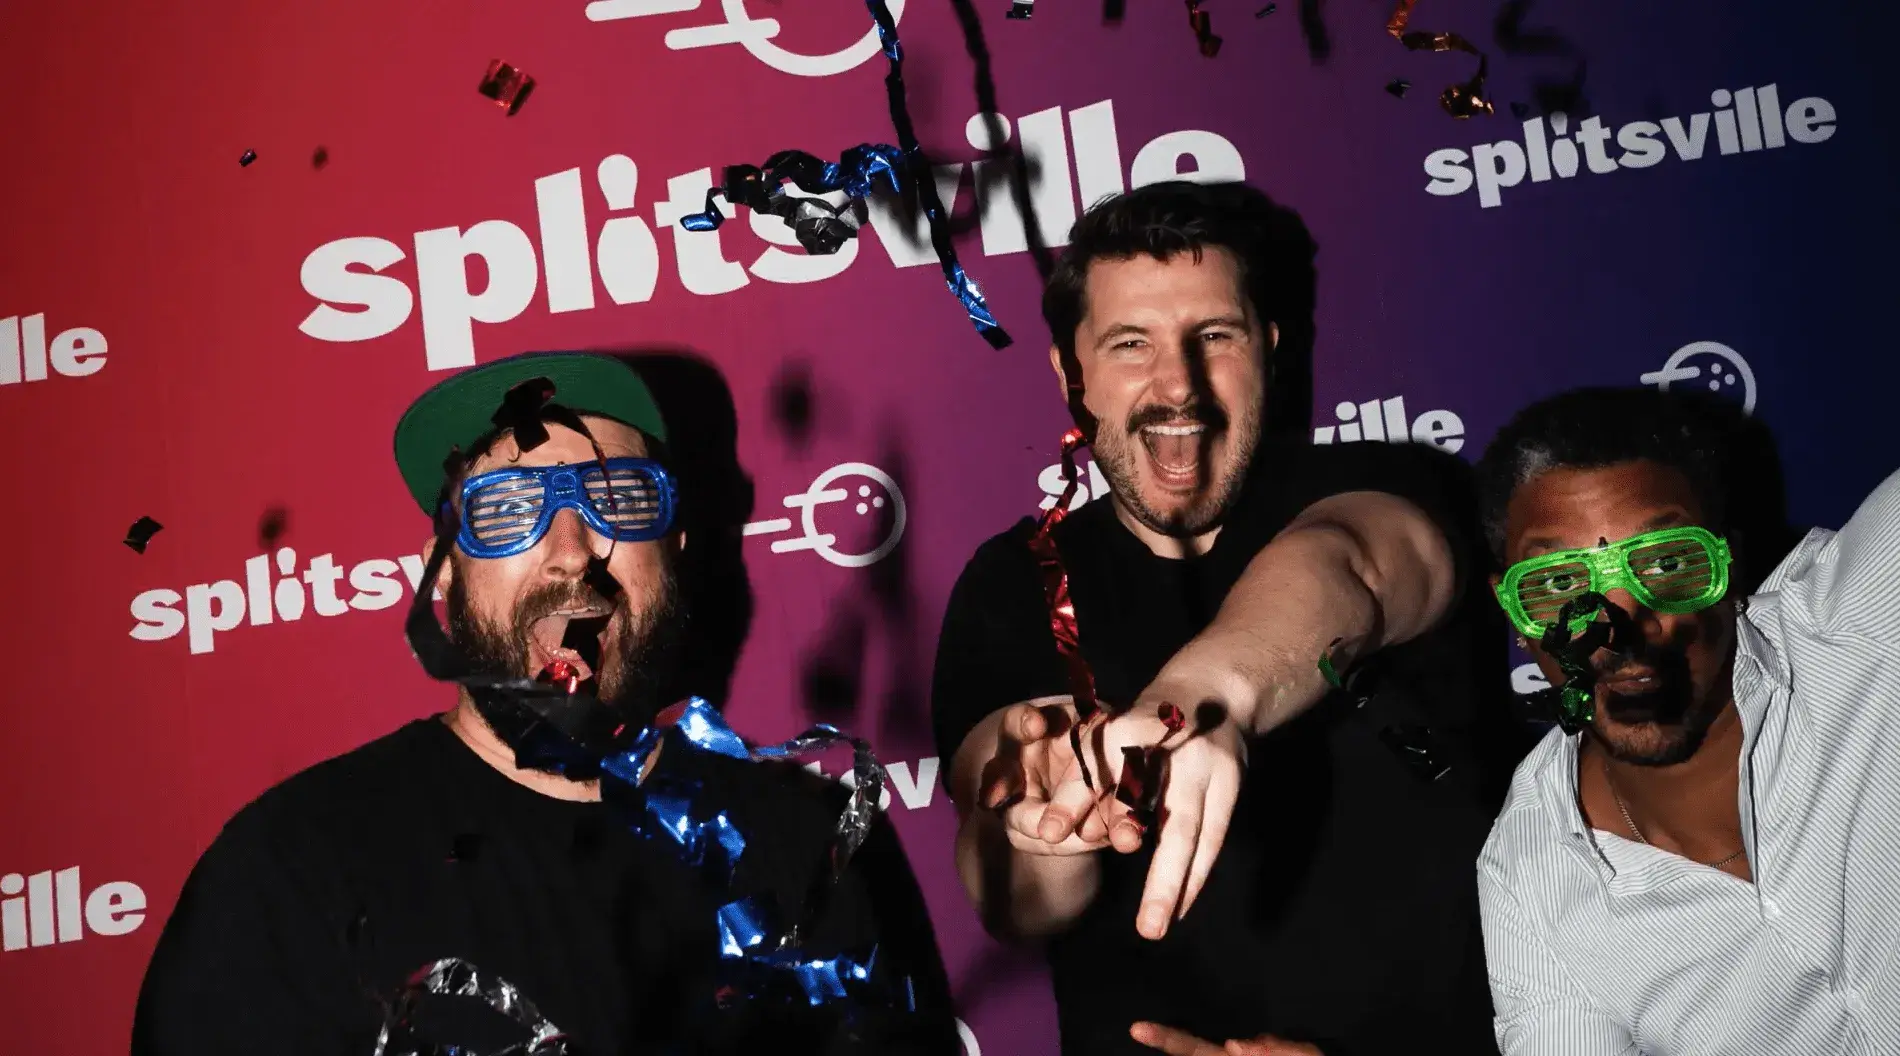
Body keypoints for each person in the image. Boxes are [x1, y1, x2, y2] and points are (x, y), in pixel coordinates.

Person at [132, 351, 957, 1056]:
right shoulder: (293, 872)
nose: (571, 552)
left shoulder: (804, 847)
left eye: (619, 499)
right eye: (508, 510)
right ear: (443, 572)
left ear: (674, 551)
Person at [931, 180, 1515, 1056]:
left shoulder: (1390, 487)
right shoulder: (1015, 582)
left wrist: (1206, 699)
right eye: (1131, 344)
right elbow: (1010, 890)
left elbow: (1349, 562)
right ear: (1071, 374)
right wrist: (1051, 830)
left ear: (1267, 350)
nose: (1179, 385)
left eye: (1214, 336)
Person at [1473, 386, 1900, 1053]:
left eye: (1666, 564)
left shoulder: (1862, 620)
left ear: (1728, 564)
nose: (1620, 630)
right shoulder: (1530, 877)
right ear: (1513, 612)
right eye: (1559, 584)